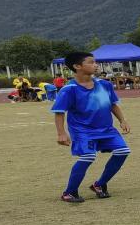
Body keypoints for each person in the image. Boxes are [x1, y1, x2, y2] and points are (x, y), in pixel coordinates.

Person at [52, 52, 132, 203]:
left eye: (95, 62)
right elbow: (59, 112)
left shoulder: (105, 85)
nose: (96, 65)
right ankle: (69, 192)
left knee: (123, 151)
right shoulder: (69, 90)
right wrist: (61, 133)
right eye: (91, 62)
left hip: (106, 130)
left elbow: (113, 104)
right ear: (77, 66)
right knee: (88, 156)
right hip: (83, 131)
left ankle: (99, 185)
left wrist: (123, 120)